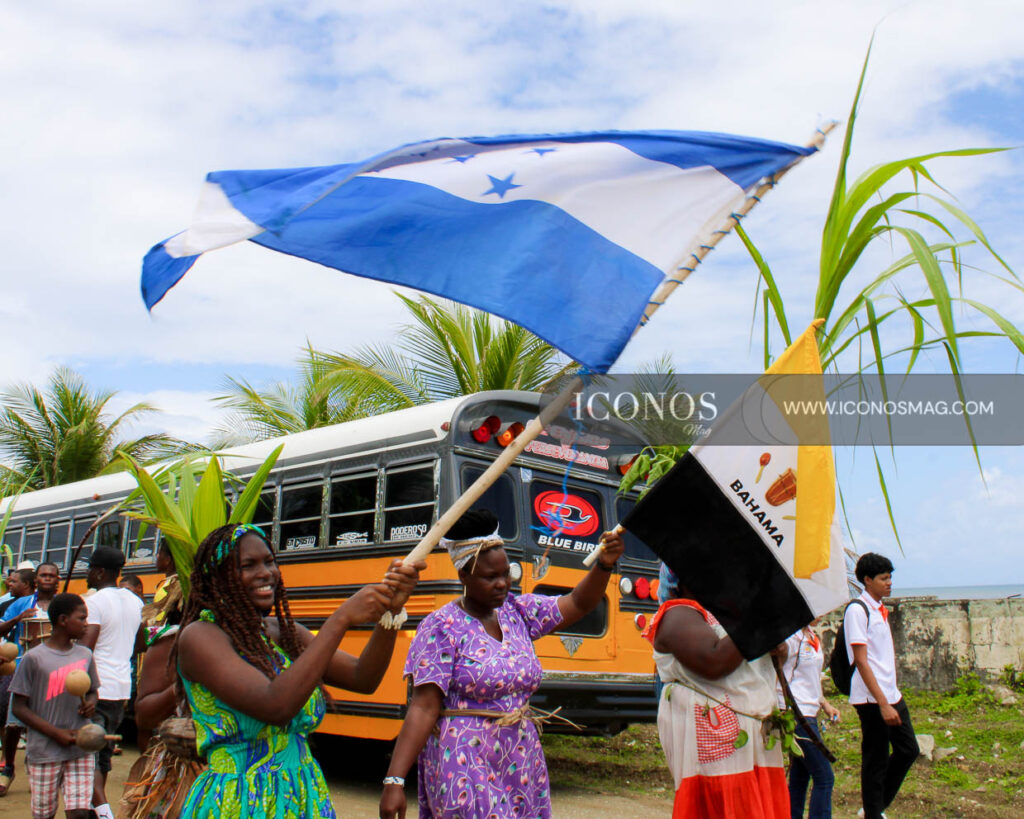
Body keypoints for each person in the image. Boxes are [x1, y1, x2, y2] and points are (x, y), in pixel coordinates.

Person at [379, 509, 626, 819]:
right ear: (463, 576)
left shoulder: (518, 613)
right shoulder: (441, 627)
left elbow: (578, 603)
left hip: (521, 759)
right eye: (489, 577)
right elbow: (423, 707)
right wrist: (394, 781)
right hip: (464, 762)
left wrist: (604, 565)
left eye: (505, 573)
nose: (501, 584)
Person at [176, 523, 423, 818]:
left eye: (269, 561)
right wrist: (341, 618)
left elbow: (363, 678)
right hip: (239, 802)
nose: (266, 573)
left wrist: (391, 612)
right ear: (217, 579)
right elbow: (275, 705)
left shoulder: (284, 633)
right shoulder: (200, 637)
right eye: (247, 565)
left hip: (301, 794)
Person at [644, 584, 789, 818]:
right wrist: (756, 617)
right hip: (719, 762)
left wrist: (779, 649)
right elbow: (714, 662)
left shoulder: (732, 615)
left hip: (757, 752)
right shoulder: (677, 614)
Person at [9, 593, 100, 819]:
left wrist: (90, 704)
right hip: (44, 750)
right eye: (81, 618)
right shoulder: (34, 658)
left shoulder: (85, 654)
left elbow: (92, 691)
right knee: (44, 814)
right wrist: (55, 733)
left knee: (79, 812)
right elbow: (19, 707)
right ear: (62, 620)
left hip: (80, 747)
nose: (86, 624)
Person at [845, 553, 918, 819]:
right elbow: (861, 662)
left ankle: (874, 809)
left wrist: (891, 698)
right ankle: (874, 813)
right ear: (867, 580)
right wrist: (883, 704)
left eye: (890, 577)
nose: (889, 583)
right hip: (871, 698)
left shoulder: (879, 609)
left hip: (890, 693)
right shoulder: (857, 610)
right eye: (883, 578)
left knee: (909, 749)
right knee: (875, 760)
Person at [78, 546, 144, 819]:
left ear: (100, 571)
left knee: (88, 754)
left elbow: (87, 648)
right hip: (120, 687)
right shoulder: (135, 601)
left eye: (90, 570)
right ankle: (97, 807)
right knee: (103, 753)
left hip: (96, 687)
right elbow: (141, 644)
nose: (88, 576)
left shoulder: (95, 602)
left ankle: (103, 811)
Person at [779, 620, 840, 819]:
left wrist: (824, 703)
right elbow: (780, 673)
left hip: (810, 710)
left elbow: (811, 678)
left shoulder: (812, 635)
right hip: (797, 713)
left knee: (801, 774)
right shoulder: (790, 637)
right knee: (824, 776)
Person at [0, 566, 39, 796]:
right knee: (10, 718)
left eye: (13, 581)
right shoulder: (15, 605)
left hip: (48, 674)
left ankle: (35, 768)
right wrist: (18, 619)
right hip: (18, 668)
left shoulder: (58, 603)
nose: (9, 585)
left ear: (27, 584)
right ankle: (8, 766)